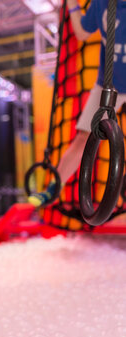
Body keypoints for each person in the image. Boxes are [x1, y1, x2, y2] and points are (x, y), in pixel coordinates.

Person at [28, 0, 126, 207]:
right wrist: (72, 3)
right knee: (83, 136)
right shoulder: (102, 3)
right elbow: (82, 32)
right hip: (109, 84)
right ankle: (54, 189)